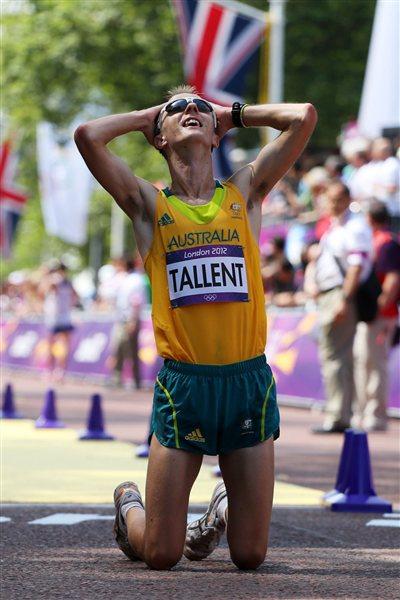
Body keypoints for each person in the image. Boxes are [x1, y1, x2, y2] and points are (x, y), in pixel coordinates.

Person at [75, 85, 317, 570]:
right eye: (177, 109)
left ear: (214, 135)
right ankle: (131, 507)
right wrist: (146, 113)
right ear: (158, 138)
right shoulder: (149, 206)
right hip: (185, 388)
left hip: (247, 382)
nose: (190, 109)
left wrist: (234, 113)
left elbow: (303, 117)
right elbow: (88, 135)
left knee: (250, 556)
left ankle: (219, 510)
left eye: (200, 108)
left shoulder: (244, 193)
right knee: (162, 555)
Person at [311, 181, 373, 434]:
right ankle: (340, 413)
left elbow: (357, 266)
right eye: (330, 199)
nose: (333, 204)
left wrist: (344, 300)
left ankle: (338, 416)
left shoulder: (355, 226)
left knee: (336, 358)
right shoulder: (336, 226)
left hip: (339, 295)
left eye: (337, 199)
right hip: (329, 295)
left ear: (348, 199)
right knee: (334, 357)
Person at [353, 201, 400, 431]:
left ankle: (377, 416)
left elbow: (392, 281)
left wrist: (379, 309)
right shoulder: (373, 241)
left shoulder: (387, 243)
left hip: (381, 316)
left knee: (377, 364)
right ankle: (362, 412)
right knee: (363, 361)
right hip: (370, 315)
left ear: (370, 218)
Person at [108, 258, 146, 389]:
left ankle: (135, 381)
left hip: (129, 319)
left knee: (129, 350)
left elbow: (136, 301)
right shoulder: (127, 279)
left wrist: (133, 320)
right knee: (120, 349)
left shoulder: (134, 280)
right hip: (123, 319)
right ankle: (118, 378)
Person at [40, 261, 78, 380]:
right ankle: (61, 371)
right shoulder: (68, 282)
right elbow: (75, 296)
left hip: (54, 317)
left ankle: (50, 370)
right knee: (64, 345)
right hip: (65, 316)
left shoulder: (54, 280)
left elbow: (42, 291)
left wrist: (45, 276)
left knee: (51, 344)